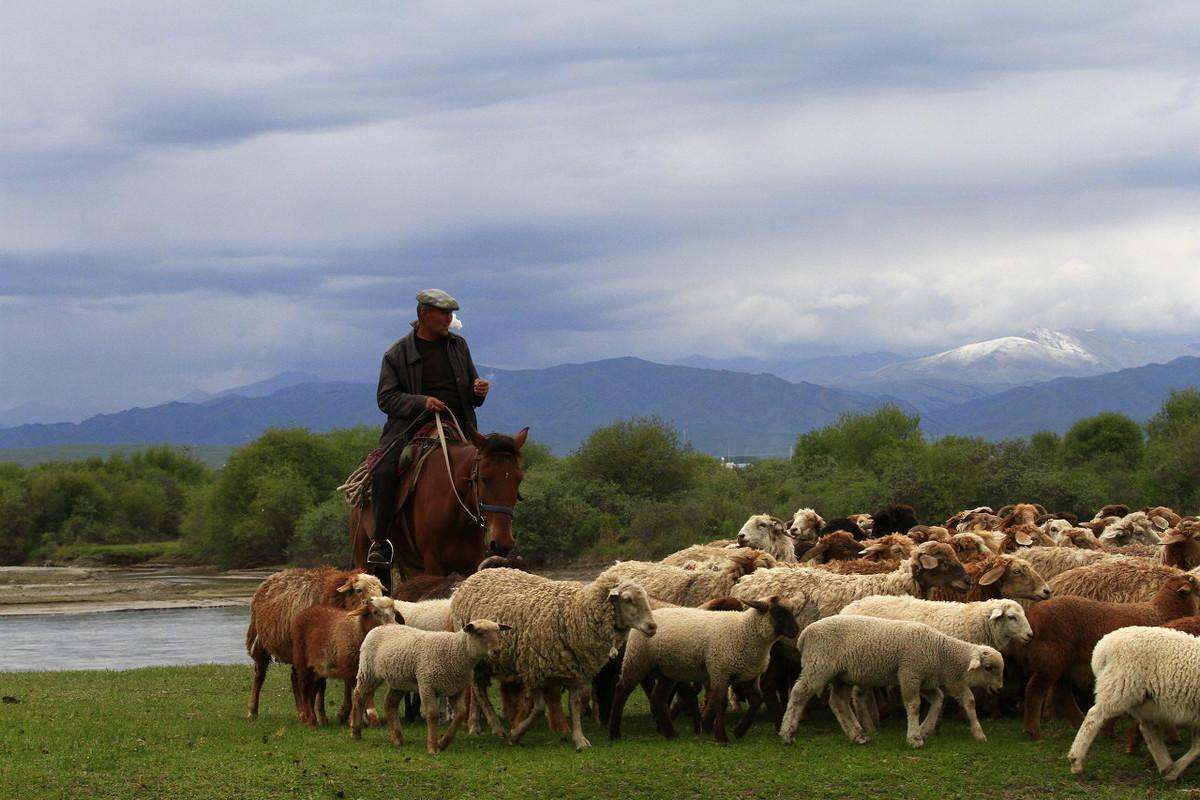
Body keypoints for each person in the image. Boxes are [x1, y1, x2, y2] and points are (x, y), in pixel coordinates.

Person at [369, 288, 489, 564]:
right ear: (424, 314)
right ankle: (381, 542)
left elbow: (471, 391)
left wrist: (478, 391)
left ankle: (492, 538)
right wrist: (421, 402)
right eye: (443, 313)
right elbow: (385, 399)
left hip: (460, 428)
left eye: (450, 314)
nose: (449, 319)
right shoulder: (397, 353)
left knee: (493, 468)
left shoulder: (459, 346)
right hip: (411, 429)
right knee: (384, 471)